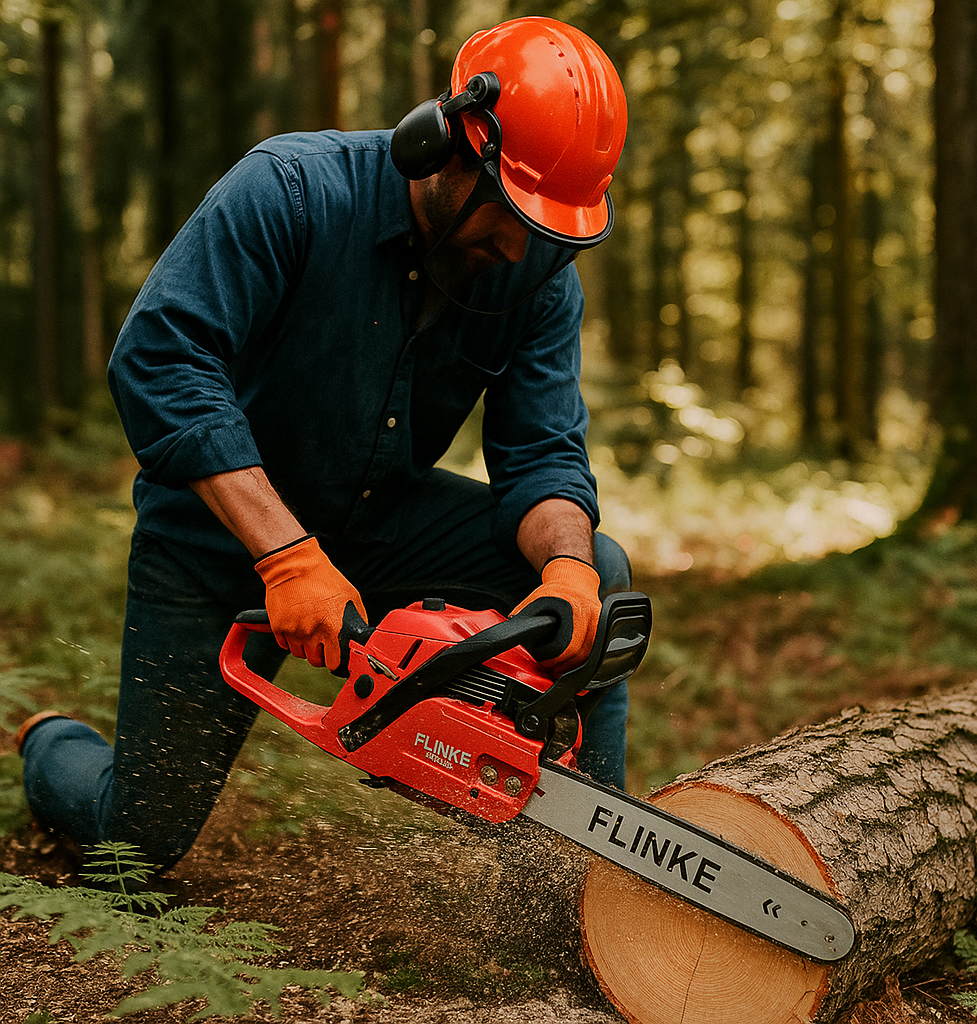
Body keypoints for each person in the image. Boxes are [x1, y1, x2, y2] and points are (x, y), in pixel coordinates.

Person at [17, 16, 631, 872]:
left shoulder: (529, 271)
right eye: (511, 215)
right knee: (138, 849)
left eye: (547, 228)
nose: (521, 246)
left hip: (385, 524)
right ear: (446, 145)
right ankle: (48, 744)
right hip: (220, 542)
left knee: (597, 564)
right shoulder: (291, 190)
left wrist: (565, 568)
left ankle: (581, 868)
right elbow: (160, 359)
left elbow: (543, 453)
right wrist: (284, 555)